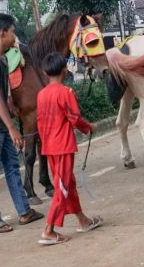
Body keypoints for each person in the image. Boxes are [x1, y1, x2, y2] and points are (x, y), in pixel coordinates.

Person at [0, 13, 43, 233]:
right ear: (3, 33)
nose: (15, 35)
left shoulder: (1, 59)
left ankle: (24, 211)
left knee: (12, 166)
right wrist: (13, 128)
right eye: (13, 31)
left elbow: (1, 94)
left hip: (0, 122)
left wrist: (10, 105)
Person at [37, 52, 103, 245]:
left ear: (45, 72)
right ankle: (49, 230)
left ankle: (83, 220)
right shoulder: (66, 93)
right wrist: (88, 127)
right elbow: (75, 118)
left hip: (49, 147)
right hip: (63, 146)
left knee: (68, 184)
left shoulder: (41, 94)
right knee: (63, 188)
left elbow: (40, 122)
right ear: (65, 71)